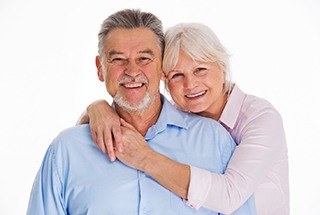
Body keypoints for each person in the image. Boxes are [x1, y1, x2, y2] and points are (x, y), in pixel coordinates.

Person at [27, 9, 256, 214]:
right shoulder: (67, 150)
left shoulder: (214, 141)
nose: (132, 71)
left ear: (162, 67)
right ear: (100, 69)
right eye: (118, 59)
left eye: (144, 59)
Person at [78, 22, 289, 214]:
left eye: (200, 69)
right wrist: (96, 109)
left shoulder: (261, 118)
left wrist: (145, 158)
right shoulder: (178, 119)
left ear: (222, 67)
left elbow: (229, 196)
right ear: (164, 79)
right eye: (177, 75)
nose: (190, 85)